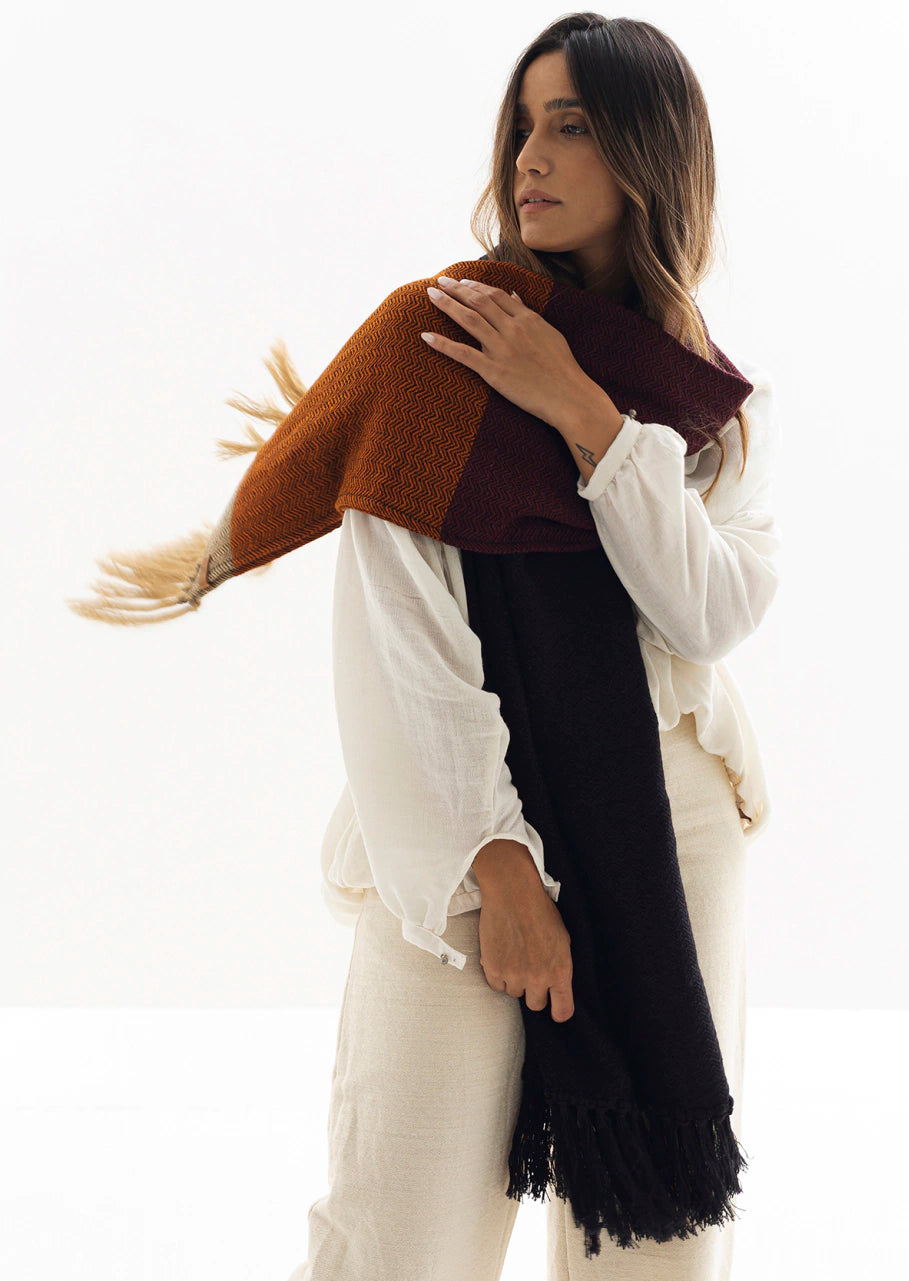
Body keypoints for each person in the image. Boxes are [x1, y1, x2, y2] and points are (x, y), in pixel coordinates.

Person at [283, 12, 782, 1281]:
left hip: (670, 819)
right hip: (458, 833)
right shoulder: (435, 344)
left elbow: (708, 613)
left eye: (571, 127)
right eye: (522, 126)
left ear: (650, 157)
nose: (530, 159)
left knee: (655, 1245)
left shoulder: (710, 400)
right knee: (399, 1235)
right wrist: (499, 867)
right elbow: (396, 629)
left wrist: (582, 411)